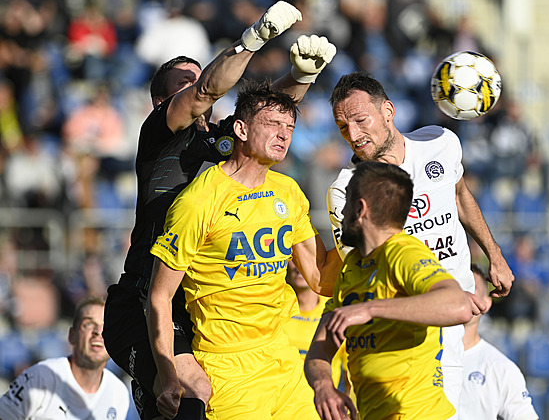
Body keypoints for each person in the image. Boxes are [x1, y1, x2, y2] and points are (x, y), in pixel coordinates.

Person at [103, 0, 337, 420]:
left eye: (201, 74)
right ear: (161, 101)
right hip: (143, 298)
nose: (201, 84)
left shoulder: (221, 141)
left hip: (192, 303)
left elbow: (268, 115)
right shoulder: (161, 136)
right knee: (192, 393)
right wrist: (254, 38)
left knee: (192, 401)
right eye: (184, 82)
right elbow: (208, 90)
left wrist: (302, 75)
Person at [147, 79, 342, 419]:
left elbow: (319, 279)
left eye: (289, 127)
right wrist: (167, 376)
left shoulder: (289, 191)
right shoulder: (198, 201)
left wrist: (351, 235)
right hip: (229, 367)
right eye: (272, 124)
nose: (283, 134)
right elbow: (159, 297)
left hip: (284, 358)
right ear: (240, 128)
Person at [326, 71, 513, 416]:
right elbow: (365, 271)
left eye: (360, 120)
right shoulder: (346, 192)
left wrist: (494, 255)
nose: (353, 135)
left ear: (388, 111)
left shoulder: (441, 142)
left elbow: (460, 197)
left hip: (452, 317)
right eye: (342, 128)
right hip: (403, 332)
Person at [305, 161, 472, 420]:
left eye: (346, 203)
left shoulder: (403, 252)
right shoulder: (352, 264)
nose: (341, 214)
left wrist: (369, 308)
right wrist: (323, 384)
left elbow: (459, 305)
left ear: (360, 209)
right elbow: (321, 346)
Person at [0, 296, 131, 420]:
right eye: (88, 324)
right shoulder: (41, 377)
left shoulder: (118, 393)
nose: (98, 332)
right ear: (72, 336)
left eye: (105, 326)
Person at [460, 264, 538, 420]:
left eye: (471, 289)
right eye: (459, 288)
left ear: (487, 303)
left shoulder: (501, 368)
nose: (465, 296)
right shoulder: (419, 355)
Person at [285, 260, 346, 391]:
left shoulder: (335, 309)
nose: (297, 265)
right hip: (282, 407)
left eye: (302, 258)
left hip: (322, 405)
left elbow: (351, 372)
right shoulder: (276, 308)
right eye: (292, 258)